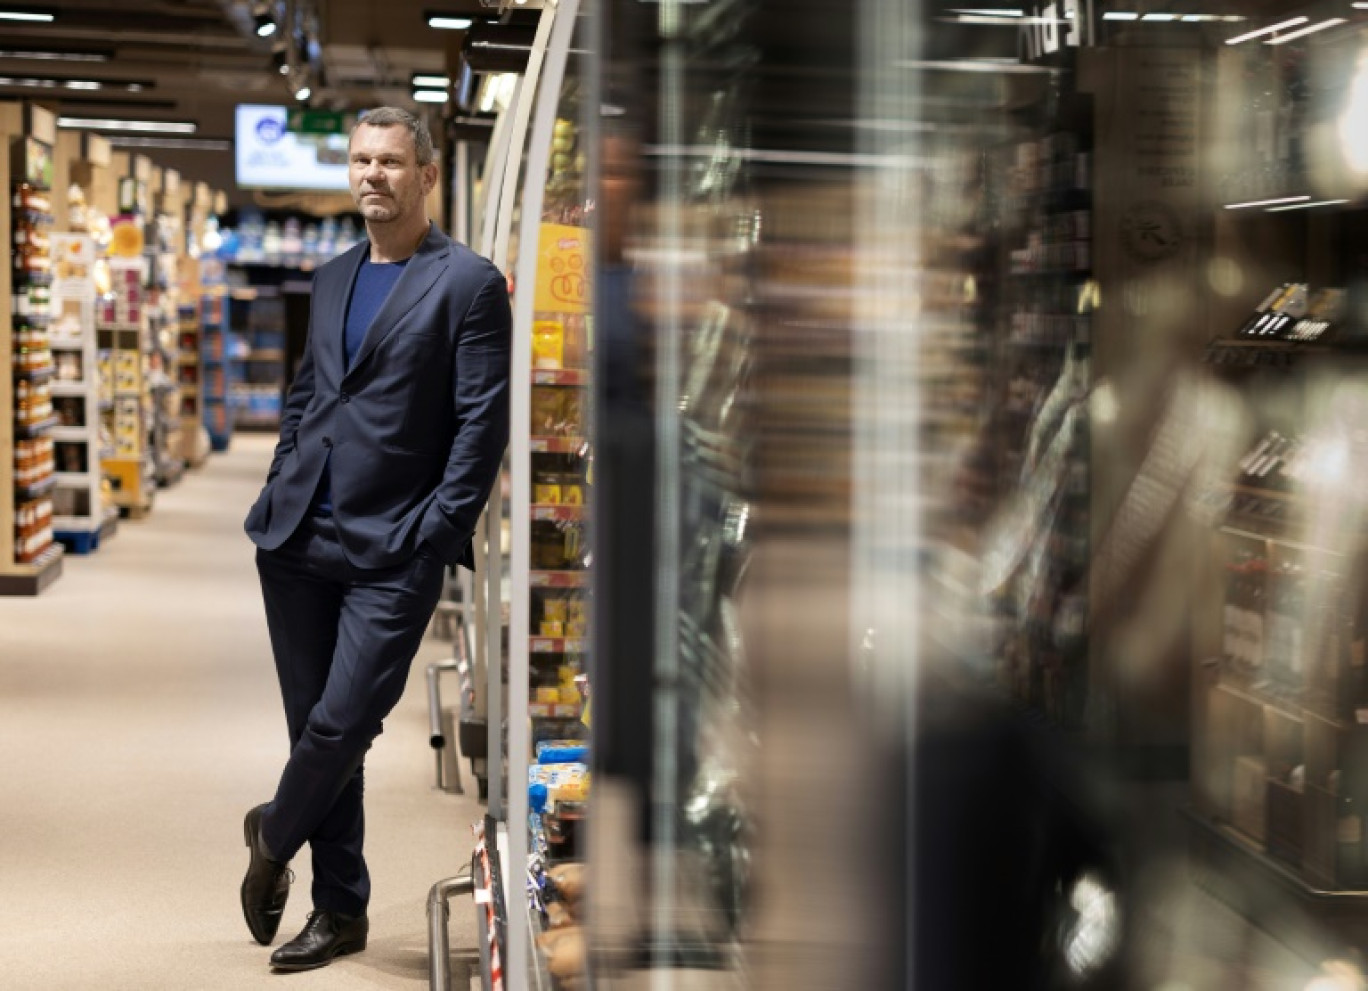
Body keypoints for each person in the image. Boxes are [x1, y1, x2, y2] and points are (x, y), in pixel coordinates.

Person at [240, 106, 510, 972]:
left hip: (395, 546)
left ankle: (273, 832)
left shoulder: (468, 283)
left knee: (345, 720)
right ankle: (341, 908)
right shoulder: (329, 278)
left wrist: (438, 532)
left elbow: (481, 426)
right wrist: (283, 470)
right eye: (362, 160)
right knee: (316, 728)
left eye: (392, 162)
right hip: (296, 538)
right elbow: (307, 393)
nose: (373, 176)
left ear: (426, 175)